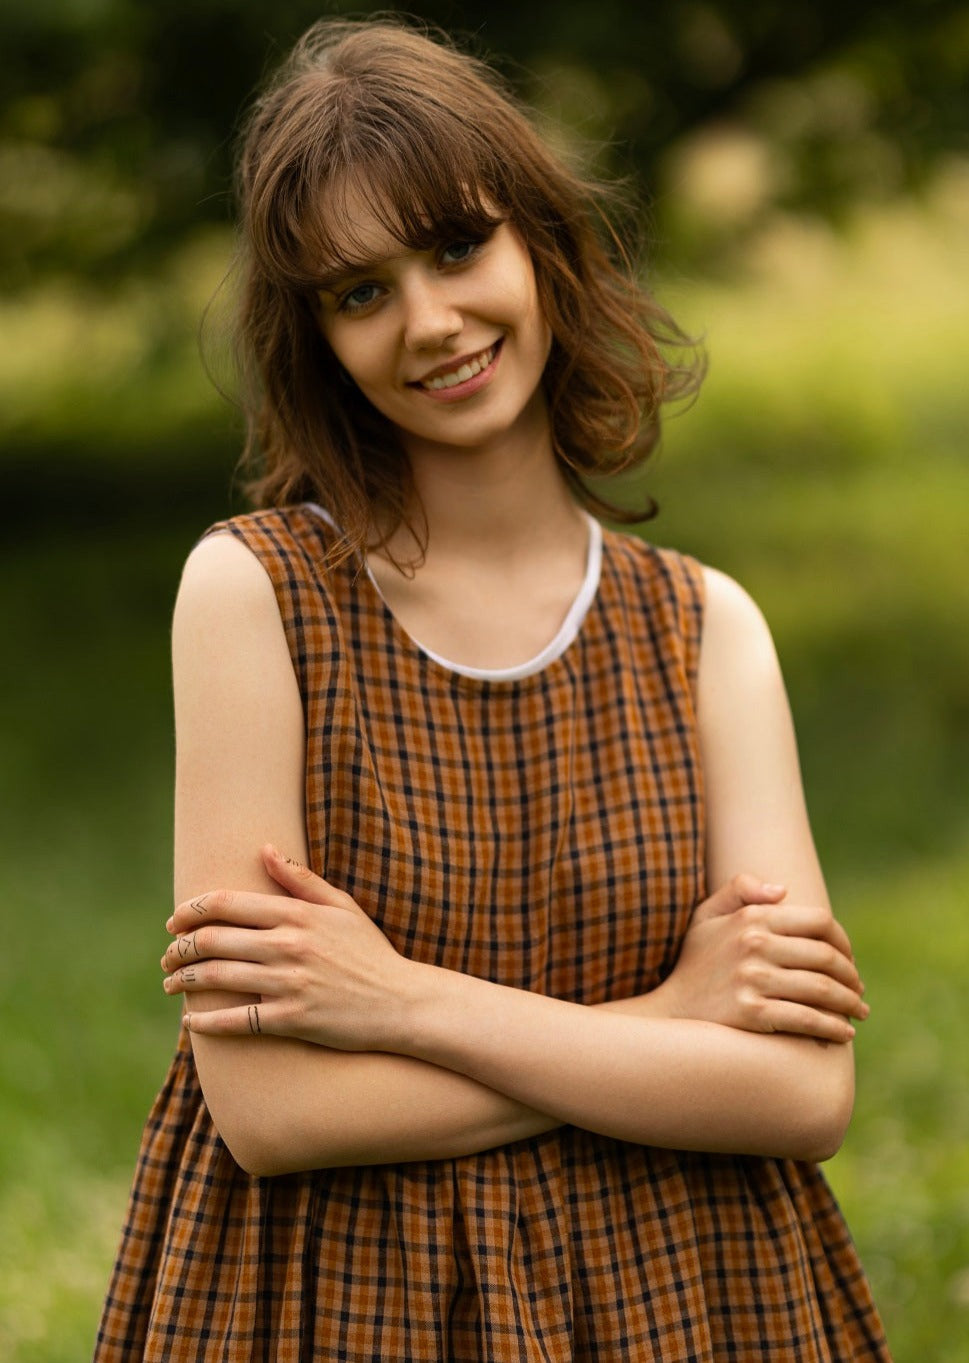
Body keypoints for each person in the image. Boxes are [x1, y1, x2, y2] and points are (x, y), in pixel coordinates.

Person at [95, 16, 891, 1362]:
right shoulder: (253, 598)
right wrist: (661, 1036)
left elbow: (797, 1088)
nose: (431, 322)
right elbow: (272, 1112)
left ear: (536, 240)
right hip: (339, 1303)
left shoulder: (703, 630)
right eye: (360, 292)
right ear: (317, 339)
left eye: (457, 248)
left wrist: (401, 1004)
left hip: (682, 1296)